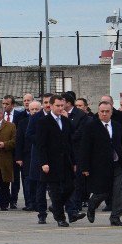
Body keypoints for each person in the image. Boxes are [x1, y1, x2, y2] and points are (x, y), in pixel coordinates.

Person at [79, 101, 122, 227]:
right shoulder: (91, 126)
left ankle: (115, 217)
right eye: (102, 111)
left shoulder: (117, 125)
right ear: (98, 112)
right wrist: (85, 166)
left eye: (107, 111)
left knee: (118, 191)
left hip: (117, 164)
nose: (104, 114)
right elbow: (85, 148)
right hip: (100, 166)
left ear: (111, 112)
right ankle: (92, 205)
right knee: (103, 191)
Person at [36, 95, 81, 227]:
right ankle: (60, 217)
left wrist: (74, 162)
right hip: (51, 163)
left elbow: (69, 143)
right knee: (55, 191)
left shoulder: (66, 121)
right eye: (58, 106)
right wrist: (43, 162)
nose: (61, 108)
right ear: (51, 106)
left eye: (62, 106)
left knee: (70, 187)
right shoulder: (43, 122)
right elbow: (40, 145)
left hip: (65, 162)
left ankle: (56, 207)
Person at [26, 93, 52, 223]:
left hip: (55, 156)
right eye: (45, 102)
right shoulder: (36, 118)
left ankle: (60, 208)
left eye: (49, 102)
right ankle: (42, 213)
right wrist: (42, 141)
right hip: (39, 156)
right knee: (40, 187)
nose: (47, 105)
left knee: (57, 186)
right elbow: (29, 134)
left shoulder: (59, 117)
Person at [16, 100, 41, 211]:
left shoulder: (44, 121)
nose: (34, 111)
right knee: (27, 181)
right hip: (27, 156)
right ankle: (29, 202)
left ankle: (39, 203)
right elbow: (19, 141)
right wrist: (19, 157)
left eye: (37, 109)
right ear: (28, 110)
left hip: (40, 155)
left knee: (40, 181)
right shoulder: (23, 123)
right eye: (32, 109)